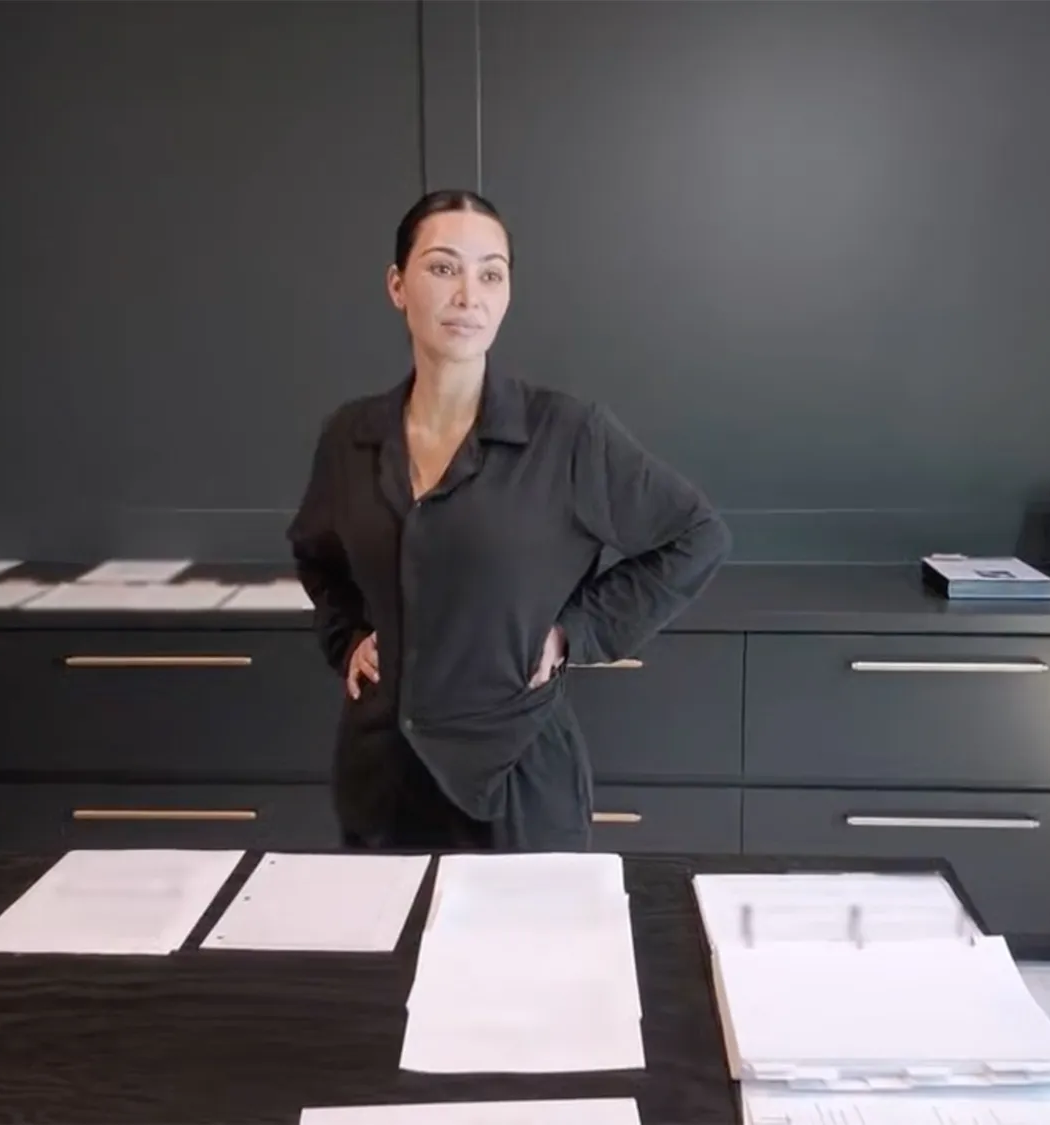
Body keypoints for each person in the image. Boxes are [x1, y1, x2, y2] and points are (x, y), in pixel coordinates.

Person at [287, 189, 731, 852]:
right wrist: (346, 635)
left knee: (526, 957)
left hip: (515, 785)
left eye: (490, 273)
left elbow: (696, 534)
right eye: (443, 268)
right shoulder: (350, 435)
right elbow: (316, 554)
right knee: (389, 955)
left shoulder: (568, 433)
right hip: (382, 779)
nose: (469, 294)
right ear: (397, 285)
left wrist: (576, 631)